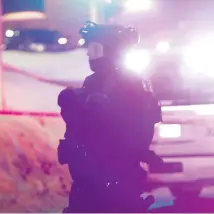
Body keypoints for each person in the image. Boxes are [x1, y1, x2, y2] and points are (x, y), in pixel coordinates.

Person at [57, 21, 164, 213]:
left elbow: (133, 133)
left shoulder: (132, 86)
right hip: (89, 181)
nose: (89, 54)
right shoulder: (93, 82)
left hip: (114, 183)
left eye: (95, 48)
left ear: (110, 51)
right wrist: (72, 106)